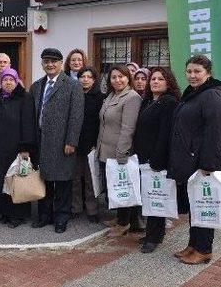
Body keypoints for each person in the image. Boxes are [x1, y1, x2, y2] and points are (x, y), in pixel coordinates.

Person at [168, 55, 221, 265]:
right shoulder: (194, 94)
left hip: (206, 164)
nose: (192, 75)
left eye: (197, 72)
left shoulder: (212, 95)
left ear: (208, 72)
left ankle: (204, 249)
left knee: (205, 206)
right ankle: (193, 245)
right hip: (193, 162)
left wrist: (208, 165)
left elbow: (216, 132)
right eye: (189, 71)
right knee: (195, 205)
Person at [30, 48, 84, 233]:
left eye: (54, 61)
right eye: (46, 61)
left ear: (61, 63)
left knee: (62, 182)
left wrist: (71, 141)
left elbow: (76, 117)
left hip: (62, 143)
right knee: (43, 180)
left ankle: (61, 217)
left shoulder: (72, 85)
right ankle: (44, 215)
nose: (50, 64)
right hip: (41, 142)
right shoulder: (36, 86)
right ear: (42, 63)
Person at [134, 67, 180, 253]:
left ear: (168, 83)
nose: (155, 82)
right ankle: (153, 233)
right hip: (144, 158)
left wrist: (157, 160)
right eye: (153, 78)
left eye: (160, 79)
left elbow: (164, 134)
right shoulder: (148, 102)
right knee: (149, 197)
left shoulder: (169, 103)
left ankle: (153, 238)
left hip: (157, 161)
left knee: (156, 199)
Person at [97, 64, 143, 237]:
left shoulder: (132, 98)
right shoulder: (111, 95)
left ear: (127, 78)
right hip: (105, 150)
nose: (117, 80)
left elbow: (128, 129)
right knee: (114, 187)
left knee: (123, 187)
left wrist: (121, 153)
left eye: (121, 77)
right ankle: (120, 218)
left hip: (119, 152)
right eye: (114, 77)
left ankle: (124, 223)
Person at [0, 68, 35, 226]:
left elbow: (28, 124)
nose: (8, 82)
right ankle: (1, 212)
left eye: (11, 80)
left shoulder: (25, 98)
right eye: (5, 79)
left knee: (16, 181)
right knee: (0, 182)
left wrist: (25, 148)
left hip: (16, 149)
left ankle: (16, 215)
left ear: (16, 81)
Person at [72, 66, 105, 223]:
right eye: (82, 76)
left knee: (91, 179)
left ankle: (92, 210)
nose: (85, 79)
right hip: (74, 143)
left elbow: (101, 123)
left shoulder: (100, 97)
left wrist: (95, 143)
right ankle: (76, 208)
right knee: (75, 178)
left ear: (93, 79)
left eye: (88, 77)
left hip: (91, 144)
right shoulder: (74, 94)